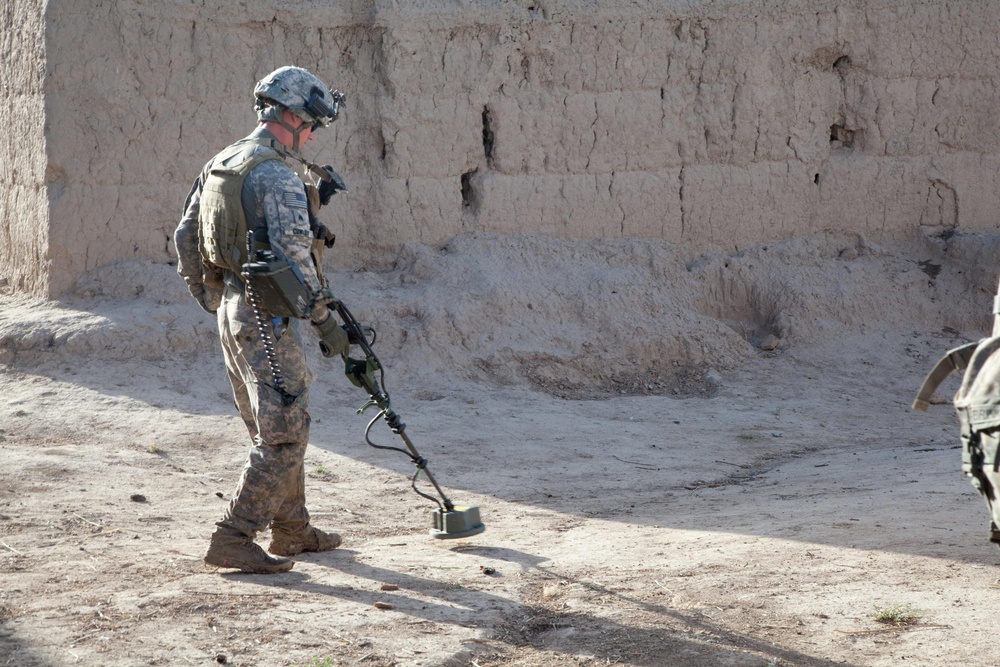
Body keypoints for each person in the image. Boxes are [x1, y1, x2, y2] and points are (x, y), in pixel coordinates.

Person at [174, 66, 352, 574]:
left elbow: (185, 237)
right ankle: (234, 536)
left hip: (236, 309)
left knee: (274, 424)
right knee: (284, 432)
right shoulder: (276, 175)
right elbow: (298, 261)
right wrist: (324, 321)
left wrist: (215, 298)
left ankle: (292, 529)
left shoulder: (224, 161)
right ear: (291, 116)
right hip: (266, 318)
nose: (314, 134)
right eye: (312, 123)